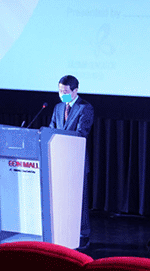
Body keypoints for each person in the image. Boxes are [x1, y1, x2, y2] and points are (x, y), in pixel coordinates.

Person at [49, 75, 95, 248]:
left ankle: (83, 234)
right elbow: (52, 128)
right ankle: (63, 232)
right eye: (60, 91)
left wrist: (60, 139)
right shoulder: (58, 107)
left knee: (79, 200)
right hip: (58, 159)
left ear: (75, 91)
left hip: (76, 160)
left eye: (66, 91)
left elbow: (81, 133)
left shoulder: (85, 108)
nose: (62, 94)